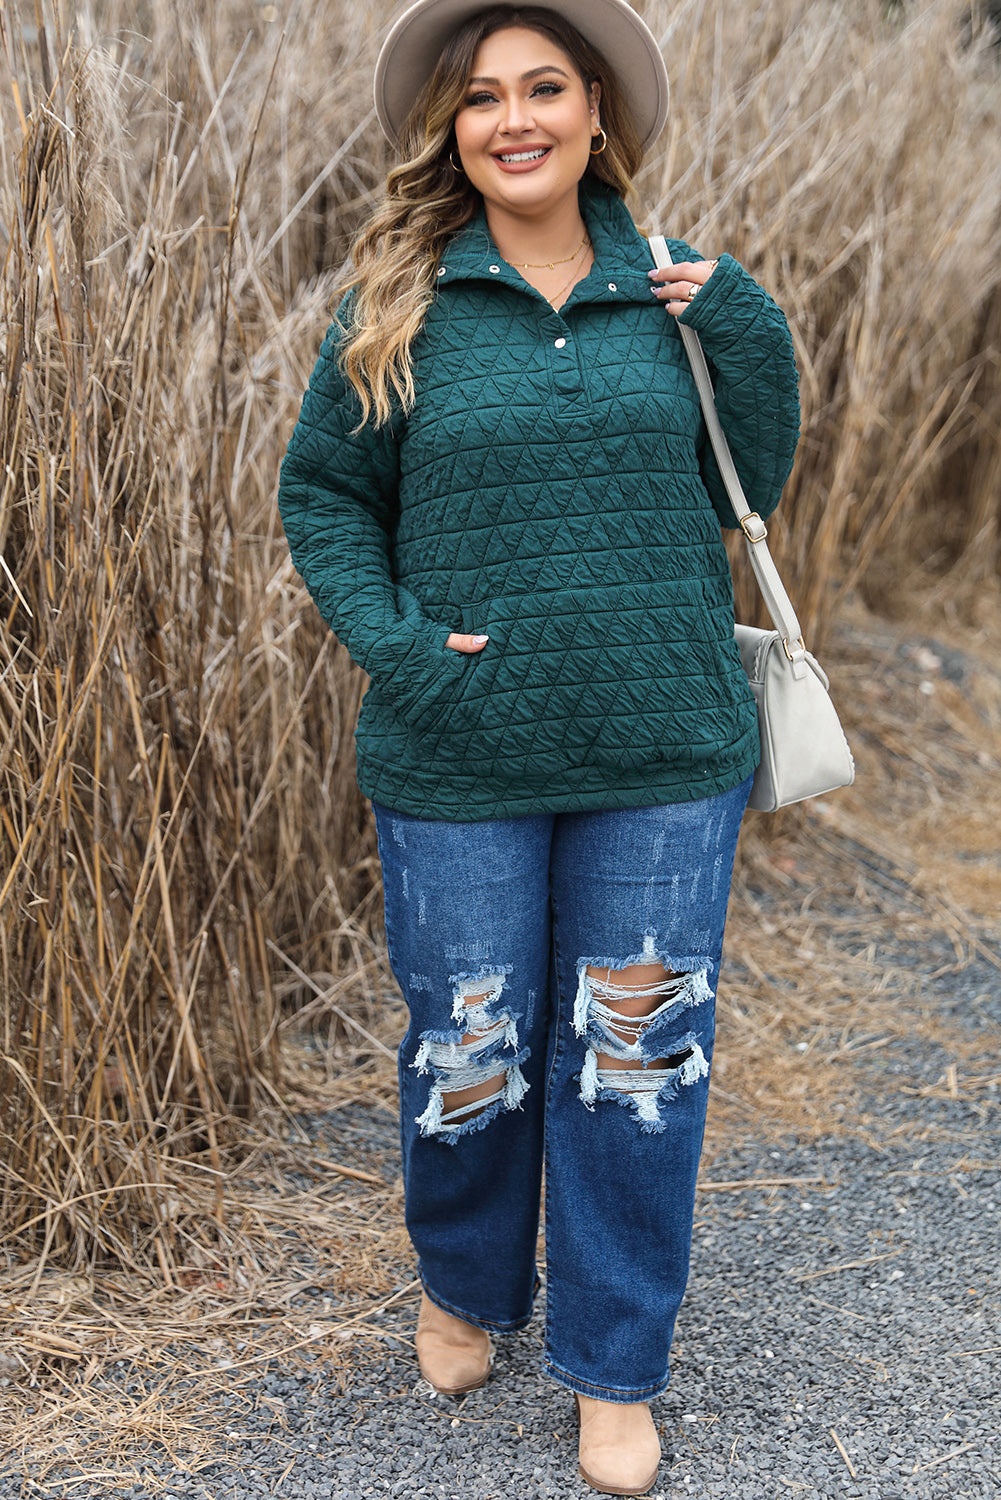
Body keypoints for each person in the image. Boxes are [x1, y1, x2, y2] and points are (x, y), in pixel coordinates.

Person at [278, 0, 799, 1491]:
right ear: (452, 128)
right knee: (471, 1045)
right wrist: (392, 644)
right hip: (459, 751)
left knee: (638, 1054)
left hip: (660, 744)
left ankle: (617, 1369)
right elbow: (322, 495)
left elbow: (744, 481)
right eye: (483, 97)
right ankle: (462, 1282)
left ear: (593, 115)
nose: (514, 118)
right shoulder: (397, 305)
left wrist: (742, 326)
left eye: (544, 89)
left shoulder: (680, 293)